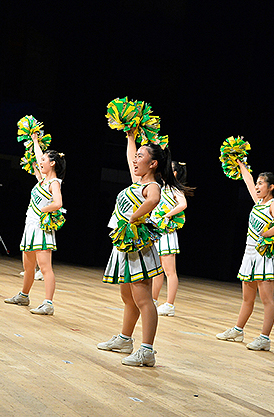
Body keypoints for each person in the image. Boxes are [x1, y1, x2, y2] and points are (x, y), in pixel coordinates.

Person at [97, 130, 191, 367]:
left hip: (139, 247)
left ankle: (147, 351)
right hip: (124, 247)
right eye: (136, 156)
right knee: (127, 296)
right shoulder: (137, 183)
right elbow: (131, 155)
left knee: (144, 299)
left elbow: (153, 201)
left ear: (153, 163)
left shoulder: (153, 186)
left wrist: (132, 219)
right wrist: (131, 137)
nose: (135, 160)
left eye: (140, 156)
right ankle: (125, 339)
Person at [216, 162, 274, 351]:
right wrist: (241, 165)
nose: (256, 186)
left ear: (271, 187)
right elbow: (247, 181)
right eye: (257, 183)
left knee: (267, 300)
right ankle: (238, 330)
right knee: (247, 298)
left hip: (263, 255)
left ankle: (265, 338)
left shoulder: (273, 203)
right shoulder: (258, 202)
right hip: (249, 254)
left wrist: (265, 236)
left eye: (261, 183)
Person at [4, 132, 65, 315]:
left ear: (52, 163)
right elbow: (38, 157)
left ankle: (48, 304)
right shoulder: (42, 180)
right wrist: (35, 141)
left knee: (45, 267)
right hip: (30, 225)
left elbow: (58, 203)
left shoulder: (53, 182)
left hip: (42, 227)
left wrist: (42, 212)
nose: (41, 162)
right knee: (28, 265)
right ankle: (24, 295)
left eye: (45, 160)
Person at [151, 161, 190, 316]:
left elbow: (183, 204)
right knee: (157, 271)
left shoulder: (175, 188)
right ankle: (153, 300)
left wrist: (167, 216)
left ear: (174, 173)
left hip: (167, 234)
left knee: (170, 271)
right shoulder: (162, 188)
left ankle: (170, 305)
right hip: (158, 233)